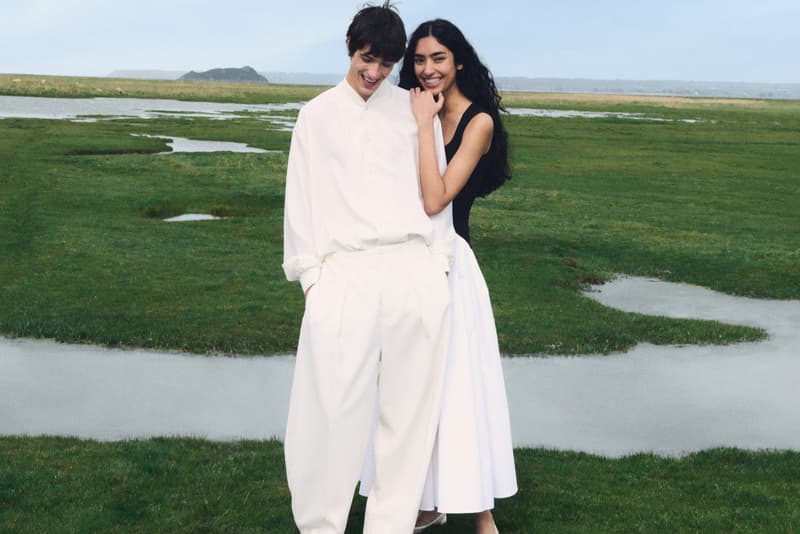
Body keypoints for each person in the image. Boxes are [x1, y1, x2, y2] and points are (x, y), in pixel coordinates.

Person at [281, 4, 455, 533]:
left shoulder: (414, 109)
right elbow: (300, 202)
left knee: (407, 420)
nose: (374, 72)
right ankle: (320, 527)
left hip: (412, 274)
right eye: (366, 58)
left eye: (385, 63)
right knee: (328, 414)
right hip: (343, 278)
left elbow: (437, 192)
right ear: (351, 49)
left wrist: (438, 269)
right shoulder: (316, 115)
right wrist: (313, 280)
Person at [360, 18, 517, 534]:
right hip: (408, 264)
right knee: (404, 387)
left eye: (439, 59)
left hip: (452, 266)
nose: (427, 70)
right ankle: (424, 502)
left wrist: (425, 125)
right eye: (420, 60)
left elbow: (435, 198)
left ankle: (482, 516)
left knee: (457, 386)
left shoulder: (478, 123)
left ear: (459, 62)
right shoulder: (409, 105)